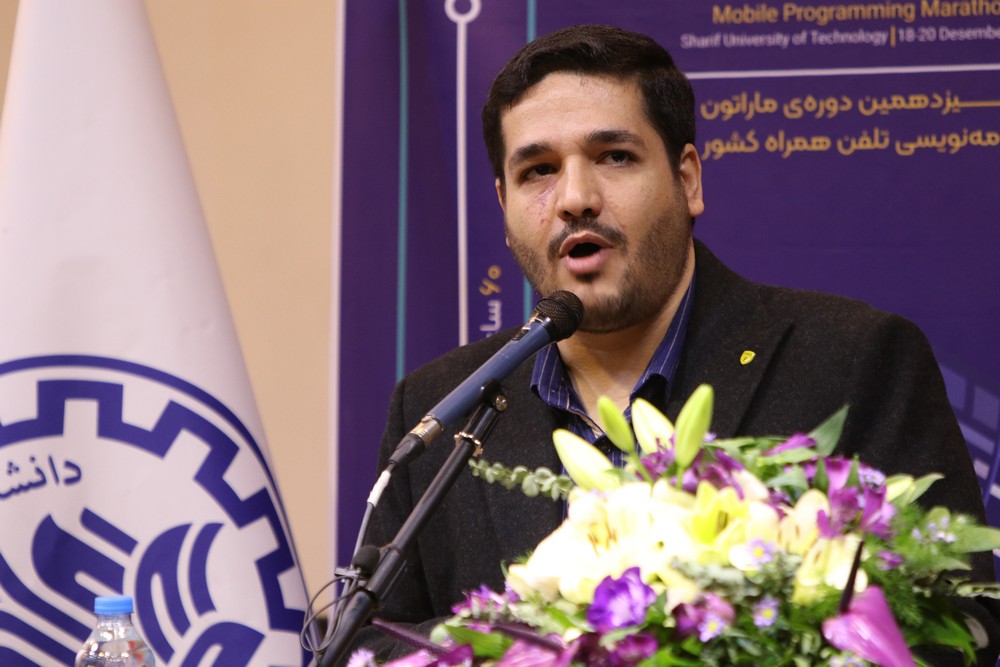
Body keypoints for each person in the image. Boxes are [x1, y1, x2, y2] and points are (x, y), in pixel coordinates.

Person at [352, 24, 998, 664]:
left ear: (687, 179)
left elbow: (958, 622)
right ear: (504, 204)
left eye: (614, 156)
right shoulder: (440, 407)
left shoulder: (854, 359)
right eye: (538, 170)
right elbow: (371, 640)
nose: (575, 198)